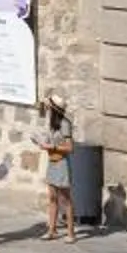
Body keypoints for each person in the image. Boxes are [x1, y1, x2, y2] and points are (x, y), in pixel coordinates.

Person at [42, 96, 77, 241]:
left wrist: (53, 146)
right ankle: (52, 230)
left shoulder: (64, 124)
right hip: (52, 162)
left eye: (49, 106)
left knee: (66, 199)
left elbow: (70, 147)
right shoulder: (52, 123)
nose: (47, 108)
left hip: (61, 163)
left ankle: (70, 233)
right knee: (52, 197)